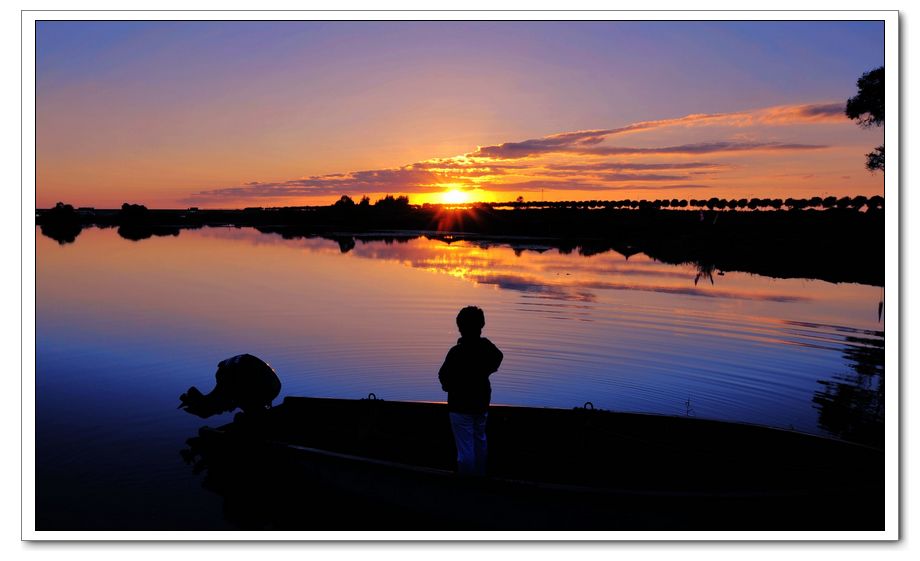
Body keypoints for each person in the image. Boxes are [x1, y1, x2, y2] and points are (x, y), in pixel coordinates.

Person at [438, 306, 503, 476]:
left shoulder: (456, 352)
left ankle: (467, 485)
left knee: (465, 449)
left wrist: (451, 387)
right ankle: (480, 478)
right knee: (479, 442)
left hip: (459, 407)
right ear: (481, 325)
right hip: (481, 404)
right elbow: (498, 357)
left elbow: (443, 377)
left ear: (459, 327)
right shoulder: (486, 347)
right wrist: (486, 370)